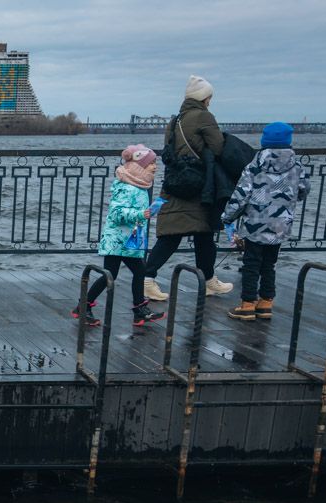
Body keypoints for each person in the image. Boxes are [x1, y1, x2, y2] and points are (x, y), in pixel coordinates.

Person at [143, 75, 234, 302]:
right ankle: (148, 279)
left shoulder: (175, 121)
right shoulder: (204, 116)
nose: (210, 101)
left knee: (193, 234)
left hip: (176, 183)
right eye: (209, 97)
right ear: (204, 98)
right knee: (193, 234)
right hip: (198, 186)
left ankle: (208, 280)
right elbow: (218, 147)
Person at [220, 122, 309, 320]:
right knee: (270, 263)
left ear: (264, 141)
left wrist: (228, 216)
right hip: (281, 224)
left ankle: (247, 304)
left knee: (251, 263)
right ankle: (266, 302)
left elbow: (241, 195)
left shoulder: (255, 166)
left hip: (255, 224)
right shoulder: (297, 166)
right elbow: (303, 190)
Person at [73, 144, 165, 327]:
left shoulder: (139, 187)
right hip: (117, 240)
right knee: (112, 274)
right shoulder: (127, 187)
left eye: (155, 163)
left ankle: (138, 310)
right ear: (139, 166)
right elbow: (116, 213)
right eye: (151, 163)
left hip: (129, 239)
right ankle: (85, 307)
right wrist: (140, 214)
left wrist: (147, 212)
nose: (155, 167)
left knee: (134, 272)